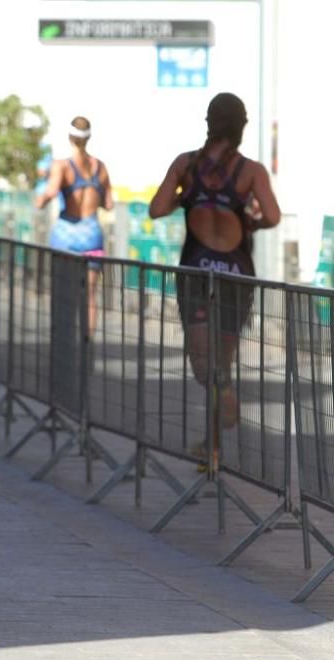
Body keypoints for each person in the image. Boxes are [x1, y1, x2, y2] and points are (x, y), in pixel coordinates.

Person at [150, 92, 280, 428]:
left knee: (203, 363)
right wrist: (251, 221)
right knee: (221, 361)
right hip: (236, 273)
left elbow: (157, 209)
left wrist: (188, 196)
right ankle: (215, 438)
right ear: (242, 127)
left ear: (208, 123)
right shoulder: (251, 171)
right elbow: (274, 216)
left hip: (196, 270)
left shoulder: (186, 165)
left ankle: (214, 438)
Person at [35, 116, 114, 336]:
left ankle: (64, 341)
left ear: (70, 137)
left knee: (63, 292)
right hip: (92, 235)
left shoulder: (62, 166)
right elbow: (108, 204)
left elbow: (50, 192)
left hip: (66, 236)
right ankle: (86, 344)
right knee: (89, 294)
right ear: (88, 138)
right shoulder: (101, 167)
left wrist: (40, 201)